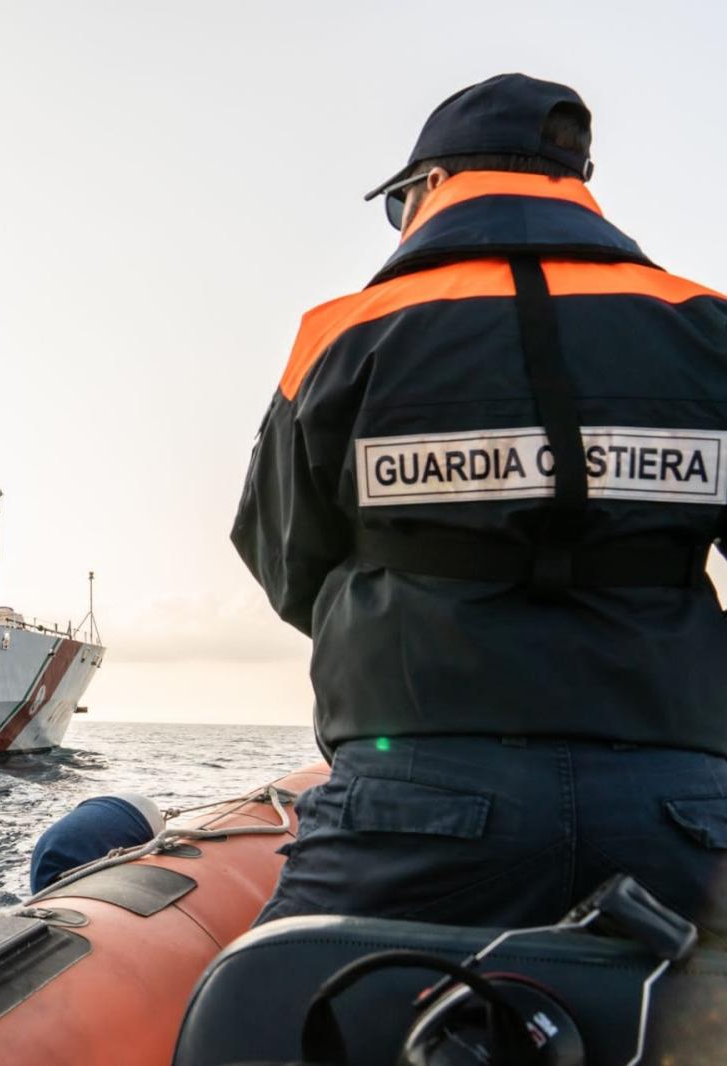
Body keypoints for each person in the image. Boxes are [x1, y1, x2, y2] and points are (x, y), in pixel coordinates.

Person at [231, 74, 727, 934]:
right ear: (576, 188)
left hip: (415, 796)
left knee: (275, 1014)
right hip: (682, 799)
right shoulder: (708, 328)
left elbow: (282, 558)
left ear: (427, 191)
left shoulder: (343, 335)